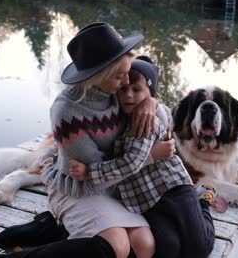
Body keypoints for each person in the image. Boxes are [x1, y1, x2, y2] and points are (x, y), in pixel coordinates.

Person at [0, 22, 171, 258]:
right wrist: (149, 156)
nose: (126, 82)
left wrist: (151, 103)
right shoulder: (67, 112)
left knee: (144, 245)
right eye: (119, 75)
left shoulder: (112, 90)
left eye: (127, 72)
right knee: (116, 247)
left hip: (112, 185)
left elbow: (158, 110)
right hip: (78, 188)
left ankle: (48, 228)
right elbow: (94, 175)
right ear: (99, 75)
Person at [68, 55, 216, 258]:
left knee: (199, 249)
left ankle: (204, 202)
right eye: (123, 89)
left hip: (174, 190)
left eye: (136, 90)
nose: (128, 95)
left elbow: (131, 162)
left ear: (149, 94)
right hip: (146, 202)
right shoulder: (116, 120)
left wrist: (89, 172)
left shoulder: (148, 121)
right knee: (167, 247)